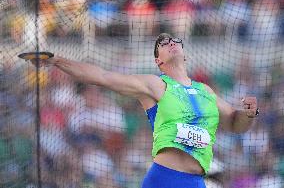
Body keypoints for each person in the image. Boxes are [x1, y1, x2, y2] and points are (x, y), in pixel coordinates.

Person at [26, 33, 258, 188]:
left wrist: (249, 114)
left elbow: (235, 124)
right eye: (163, 44)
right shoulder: (155, 84)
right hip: (165, 178)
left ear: (185, 54)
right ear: (159, 61)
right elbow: (102, 77)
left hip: (196, 181)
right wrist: (57, 61)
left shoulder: (206, 91)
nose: (170, 43)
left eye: (174, 40)